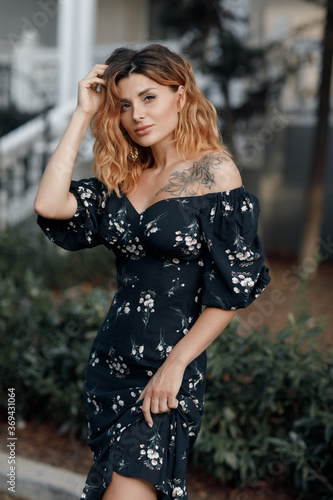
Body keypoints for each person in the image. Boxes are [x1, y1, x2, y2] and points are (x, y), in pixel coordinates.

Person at [34, 43, 271, 500]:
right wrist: (82, 114)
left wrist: (177, 364)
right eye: (124, 104)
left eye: (149, 97)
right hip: (111, 363)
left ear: (180, 97)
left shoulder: (214, 172)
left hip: (168, 370)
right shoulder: (121, 175)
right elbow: (49, 204)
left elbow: (234, 289)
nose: (137, 114)